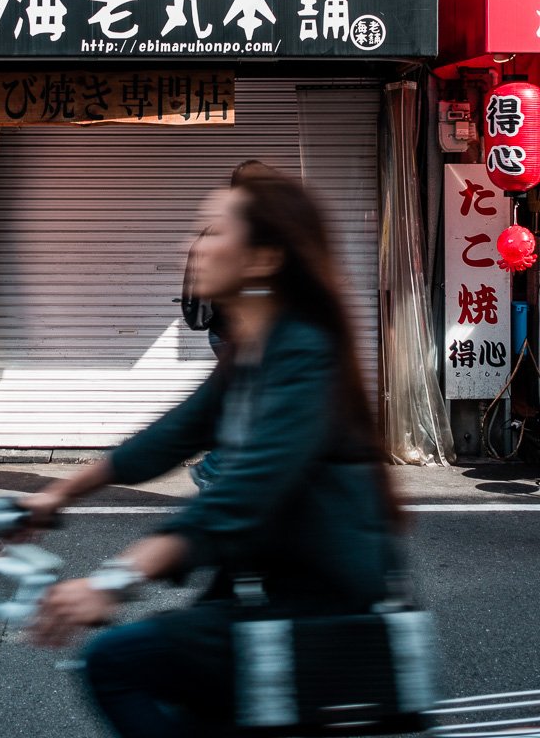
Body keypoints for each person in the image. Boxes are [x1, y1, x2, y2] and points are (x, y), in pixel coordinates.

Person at [26, 169, 401, 738]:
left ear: (262, 259)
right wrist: (56, 493)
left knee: (116, 662)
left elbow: (240, 499)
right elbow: (172, 435)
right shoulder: (254, 349)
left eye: (213, 231)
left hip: (317, 607)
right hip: (267, 585)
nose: (191, 245)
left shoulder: (303, 353)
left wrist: (111, 580)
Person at [180, 159, 271, 490]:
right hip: (242, 335)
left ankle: (227, 474)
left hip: (228, 334)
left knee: (246, 404)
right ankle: (215, 469)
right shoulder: (248, 229)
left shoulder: (228, 226)